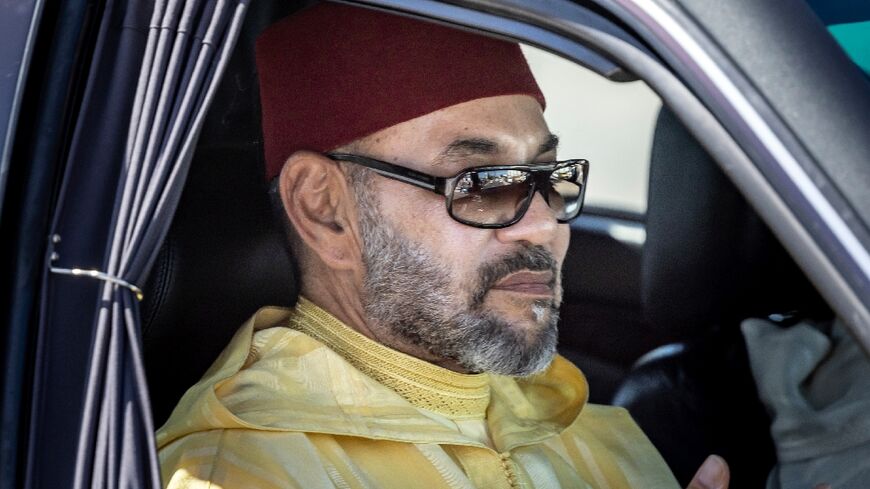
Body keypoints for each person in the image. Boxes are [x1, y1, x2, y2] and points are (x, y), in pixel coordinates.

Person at [156, 2, 729, 488]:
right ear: (324, 209)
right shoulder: (240, 471)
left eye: (547, 178)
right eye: (482, 183)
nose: (542, 226)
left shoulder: (592, 431)